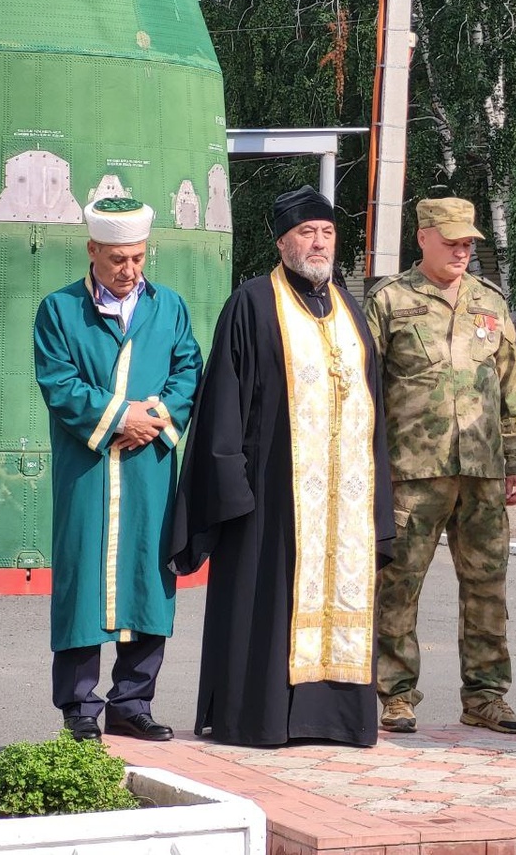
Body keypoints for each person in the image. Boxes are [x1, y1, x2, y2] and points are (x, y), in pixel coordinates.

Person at [170, 185, 394, 747]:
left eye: (328, 233)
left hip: (344, 500)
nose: (319, 243)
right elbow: (223, 400)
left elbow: (374, 407)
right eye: (306, 233)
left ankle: (337, 718)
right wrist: (231, 491)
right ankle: (263, 718)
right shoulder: (251, 303)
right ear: (282, 241)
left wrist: (379, 502)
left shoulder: (349, 309)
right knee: (266, 606)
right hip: (271, 496)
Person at [33, 196, 202, 743]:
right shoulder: (59, 311)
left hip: (150, 467)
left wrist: (152, 419)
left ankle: (132, 701)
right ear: (92, 251)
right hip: (87, 470)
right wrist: (118, 418)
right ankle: (80, 706)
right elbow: (59, 383)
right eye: (117, 260)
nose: (129, 271)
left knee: (148, 575)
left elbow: (188, 371)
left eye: (137, 258)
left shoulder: (169, 307)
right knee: (84, 578)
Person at [364, 197, 516, 736]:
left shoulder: (489, 301)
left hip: (482, 470)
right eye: (453, 240)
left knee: (487, 586)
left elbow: (511, 384)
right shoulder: (390, 302)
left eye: (469, 243)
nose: (463, 250)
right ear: (424, 238)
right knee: (398, 585)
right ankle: (394, 694)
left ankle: (485, 695)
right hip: (411, 473)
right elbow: (365, 387)